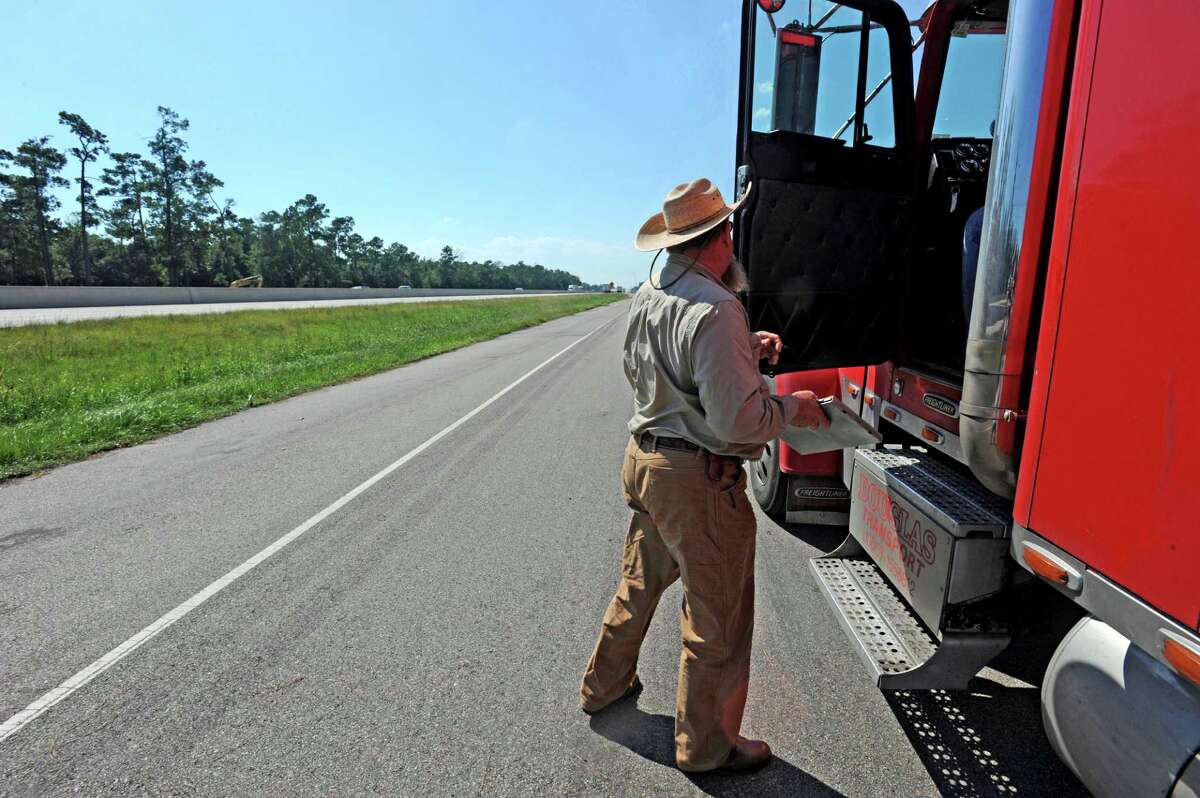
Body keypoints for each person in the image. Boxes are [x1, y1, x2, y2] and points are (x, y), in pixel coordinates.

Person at [579, 178, 829, 774]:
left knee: (638, 585)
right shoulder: (718, 307)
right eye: (731, 231)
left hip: (646, 462)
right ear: (721, 238)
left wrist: (745, 346)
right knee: (716, 618)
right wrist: (797, 408)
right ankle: (706, 747)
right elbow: (739, 422)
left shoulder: (649, 293)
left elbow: (665, 366)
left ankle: (603, 686)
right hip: (696, 479)